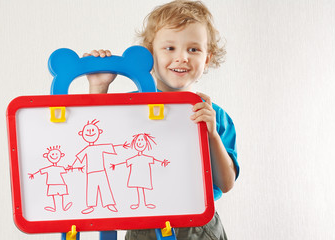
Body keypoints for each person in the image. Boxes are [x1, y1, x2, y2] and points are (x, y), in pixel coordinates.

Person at [83, 0, 239, 239]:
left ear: (207, 58)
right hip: (143, 223)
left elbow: (226, 184)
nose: (182, 58)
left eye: (194, 49)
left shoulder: (215, 115)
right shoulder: (131, 108)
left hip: (198, 227)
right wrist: (98, 87)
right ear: (149, 56)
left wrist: (211, 134)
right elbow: (94, 138)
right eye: (170, 48)